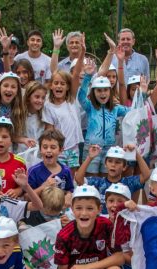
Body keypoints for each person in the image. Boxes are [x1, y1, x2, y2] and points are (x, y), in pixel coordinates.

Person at [55, 185, 128, 269]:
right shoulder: (64, 235)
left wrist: (86, 267)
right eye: (79, 208)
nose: (84, 213)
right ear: (72, 209)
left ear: (99, 209)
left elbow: (120, 257)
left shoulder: (106, 225)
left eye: (90, 208)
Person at [79, 42, 129, 176]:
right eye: (99, 90)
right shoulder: (90, 106)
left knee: (107, 179)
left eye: (105, 90)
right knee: (91, 179)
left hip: (109, 149)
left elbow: (133, 111)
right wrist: (88, 76)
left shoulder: (116, 108)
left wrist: (142, 94)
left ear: (110, 91)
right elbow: (81, 96)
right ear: (93, 92)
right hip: (92, 147)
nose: (102, 93)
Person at [43, 35, 85, 170]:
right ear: (51, 86)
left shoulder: (71, 99)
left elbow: (76, 74)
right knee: (57, 175)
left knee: (72, 176)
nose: (59, 86)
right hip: (58, 150)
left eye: (62, 84)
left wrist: (82, 53)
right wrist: (56, 48)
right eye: (56, 83)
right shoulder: (48, 106)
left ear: (68, 87)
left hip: (73, 148)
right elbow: (49, 131)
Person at [75, 145, 151, 212]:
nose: (113, 165)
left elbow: (146, 175)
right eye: (110, 161)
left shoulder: (128, 182)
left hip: (122, 220)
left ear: (124, 167)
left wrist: (136, 154)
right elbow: (79, 179)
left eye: (117, 162)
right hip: (103, 221)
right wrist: (90, 158)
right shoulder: (98, 182)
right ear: (105, 164)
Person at [27, 129, 75, 199]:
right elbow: (26, 197)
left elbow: (69, 190)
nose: (48, 150)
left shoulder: (66, 171)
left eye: (53, 147)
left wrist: (68, 195)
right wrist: (43, 187)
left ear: (61, 150)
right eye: (45, 147)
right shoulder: (33, 171)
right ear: (40, 149)